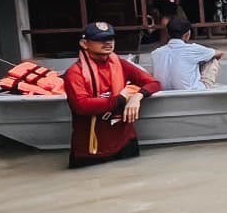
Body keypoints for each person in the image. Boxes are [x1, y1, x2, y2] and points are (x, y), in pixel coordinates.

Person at [63, 21, 161, 168]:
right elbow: (82, 106)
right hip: (90, 151)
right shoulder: (75, 73)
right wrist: (120, 99)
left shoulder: (120, 64)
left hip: (125, 144)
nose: (108, 42)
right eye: (100, 39)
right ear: (84, 43)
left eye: (110, 38)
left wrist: (137, 96)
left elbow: (154, 83)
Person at [153, 17, 224, 91]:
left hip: (164, 92)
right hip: (192, 92)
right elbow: (220, 53)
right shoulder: (193, 49)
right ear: (187, 34)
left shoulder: (155, 53)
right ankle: (205, 88)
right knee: (212, 59)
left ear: (167, 33)